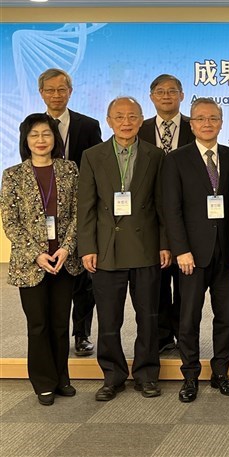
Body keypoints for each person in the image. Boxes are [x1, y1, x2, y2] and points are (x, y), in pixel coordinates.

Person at [78, 96, 171, 401]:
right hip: (107, 249)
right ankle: (113, 376)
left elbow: (163, 207)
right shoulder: (93, 156)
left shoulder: (156, 155)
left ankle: (146, 374)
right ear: (109, 121)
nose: (126, 122)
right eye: (120, 117)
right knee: (109, 318)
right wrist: (87, 247)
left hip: (145, 248)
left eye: (132, 117)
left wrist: (164, 244)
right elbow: (87, 207)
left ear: (141, 119)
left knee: (148, 317)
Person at [1, 114, 82, 405]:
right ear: (26, 139)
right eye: (34, 135)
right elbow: (10, 221)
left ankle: (62, 377)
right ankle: (43, 381)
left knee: (60, 323)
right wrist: (36, 254)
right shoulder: (12, 174)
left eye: (46, 134)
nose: (40, 140)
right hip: (29, 263)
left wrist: (66, 247)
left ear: (54, 138)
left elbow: (78, 214)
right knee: (38, 324)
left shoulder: (70, 170)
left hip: (63, 260)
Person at [161, 98, 229, 402]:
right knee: (189, 317)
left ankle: (221, 372)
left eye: (213, 118)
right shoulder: (176, 159)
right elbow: (171, 209)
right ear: (191, 124)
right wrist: (181, 249)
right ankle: (190, 375)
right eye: (201, 119)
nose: (207, 124)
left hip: (226, 252)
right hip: (191, 254)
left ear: (221, 122)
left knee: (225, 317)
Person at [38, 68, 102, 357]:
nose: (56, 94)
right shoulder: (32, 126)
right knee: (51, 277)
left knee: (83, 280)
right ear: (41, 93)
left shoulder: (88, 126)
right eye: (50, 90)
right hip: (47, 214)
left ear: (70, 92)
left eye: (61, 89)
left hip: (82, 212)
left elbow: (98, 170)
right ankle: (54, 335)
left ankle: (81, 334)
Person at [139, 74, 195, 354]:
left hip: (188, 218)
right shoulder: (139, 129)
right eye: (160, 91)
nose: (166, 96)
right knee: (158, 282)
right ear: (151, 97)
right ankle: (162, 336)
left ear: (182, 96)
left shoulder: (194, 126)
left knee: (186, 285)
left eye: (172, 91)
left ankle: (183, 334)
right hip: (149, 218)